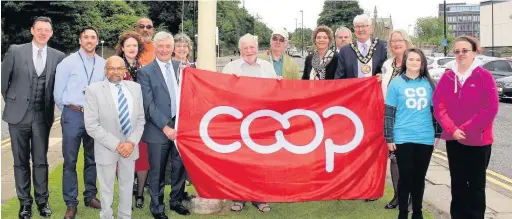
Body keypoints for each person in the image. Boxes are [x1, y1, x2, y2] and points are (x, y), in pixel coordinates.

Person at [1, 16, 65, 219]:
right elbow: (4, 82)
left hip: (42, 116)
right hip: (18, 116)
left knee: (40, 161)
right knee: (20, 162)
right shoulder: (15, 51)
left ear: (51, 33)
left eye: (47, 30)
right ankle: (24, 204)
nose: (43, 32)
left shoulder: (58, 56)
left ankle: (42, 201)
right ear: (32, 30)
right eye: (40, 29)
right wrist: (15, 101)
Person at [433, 36, 499, 219]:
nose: (461, 54)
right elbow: (438, 105)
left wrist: (467, 128)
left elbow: (490, 108)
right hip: (455, 140)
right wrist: (452, 129)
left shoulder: (484, 76)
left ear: (474, 52)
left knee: (476, 186)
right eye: (457, 51)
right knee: (458, 184)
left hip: (479, 141)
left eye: (465, 50)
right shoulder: (447, 77)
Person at [84, 56, 146, 219]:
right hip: (107, 147)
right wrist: (117, 144)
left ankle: (125, 216)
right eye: (111, 68)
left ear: (125, 71)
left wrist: (131, 142)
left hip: (130, 147)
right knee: (106, 188)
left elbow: (140, 119)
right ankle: (106, 216)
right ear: (105, 71)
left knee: (127, 186)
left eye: (119, 68)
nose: (116, 72)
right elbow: (91, 125)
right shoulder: (93, 90)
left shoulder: (135, 88)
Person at [54, 26, 106, 219]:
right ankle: (71, 203)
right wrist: (70, 110)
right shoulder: (67, 63)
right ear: (80, 40)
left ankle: (90, 196)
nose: (90, 40)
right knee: (70, 161)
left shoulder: (103, 63)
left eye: (93, 37)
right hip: (73, 114)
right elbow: (58, 94)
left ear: (97, 40)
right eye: (86, 37)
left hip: (95, 116)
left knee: (92, 159)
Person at [222, 33, 278, 213]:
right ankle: (238, 198)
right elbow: (221, 92)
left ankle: (260, 197)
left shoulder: (267, 67)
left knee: (260, 161)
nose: (249, 50)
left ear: (257, 47)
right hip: (238, 123)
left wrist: (280, 84)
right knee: (239, 162)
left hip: (262, 123)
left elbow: (276, 92)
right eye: (245, 47)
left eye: (252, 47)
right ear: (240, 50)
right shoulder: (230, 67)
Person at [138, 31, 190, 219]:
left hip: (181, 128)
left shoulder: (182, 68)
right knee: (157, 173)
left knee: (179, 168)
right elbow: (148, 104)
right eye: (160, 46)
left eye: (168, 46)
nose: (164, 50)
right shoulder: (144, 72)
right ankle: (157, 208)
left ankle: (176, 201)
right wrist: (165, 127)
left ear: (173, 48)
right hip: (157, 130)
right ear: (155, 48)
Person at [384, 48, 442, 219]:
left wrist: (437, 135)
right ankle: (402, 213)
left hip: (425, 137)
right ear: (405, 62)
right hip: (403, 137)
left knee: (419, 178)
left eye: (418, 60)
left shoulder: (430, 84)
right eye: (411, 59)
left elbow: (437, 111)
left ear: (422, 63)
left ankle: (418, 212)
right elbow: (389, 112)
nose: (414, 63)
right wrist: (389, 137)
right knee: (405, 178)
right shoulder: (396, 83)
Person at [114, 31, 150, 209]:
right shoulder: (116, 67)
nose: (131, 48)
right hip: (119, 121)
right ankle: (126, 194)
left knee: (142, 157)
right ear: (122, 48)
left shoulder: (143, 68)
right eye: (128, 45)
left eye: (134, 45)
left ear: (139, 48)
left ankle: (140, 193)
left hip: (139, 121)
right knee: (122, 157)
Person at [381, 29, 414, 211]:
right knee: (394, 158)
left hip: (409, 117)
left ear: (406, 42)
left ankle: (410, 199)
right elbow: (384, 87)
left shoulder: (415, 61)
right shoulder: (387, 64)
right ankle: (397, 196)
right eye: (393, 41)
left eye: (400, 40)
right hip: (391, 116)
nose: (396, 43)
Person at [334, 14, 387, 80]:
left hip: (376, 89)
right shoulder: (345, 51)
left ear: (370, 28)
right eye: (357, 26)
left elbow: (391, 69)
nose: (360, 29)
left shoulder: (383, 46)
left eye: (363, 26)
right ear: (354, 29)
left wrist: (384, 75)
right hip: (354, 90)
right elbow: (339, 77)